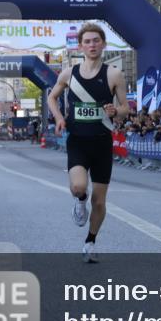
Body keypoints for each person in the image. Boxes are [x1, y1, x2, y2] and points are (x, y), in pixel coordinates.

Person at [47, 23, 128, 262]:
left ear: (103, 44)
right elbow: (52, 97)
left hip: (102, 142)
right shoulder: (69, 73)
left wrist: (116, 111)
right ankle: (79, 201)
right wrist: (60, 118)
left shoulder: (113, 74)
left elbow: (125, 108)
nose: (92, 45)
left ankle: (90, 242)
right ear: (81, 46)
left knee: (100, 200)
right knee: (79, 187)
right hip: (78, 141)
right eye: (88, 41)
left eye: (96, 41)